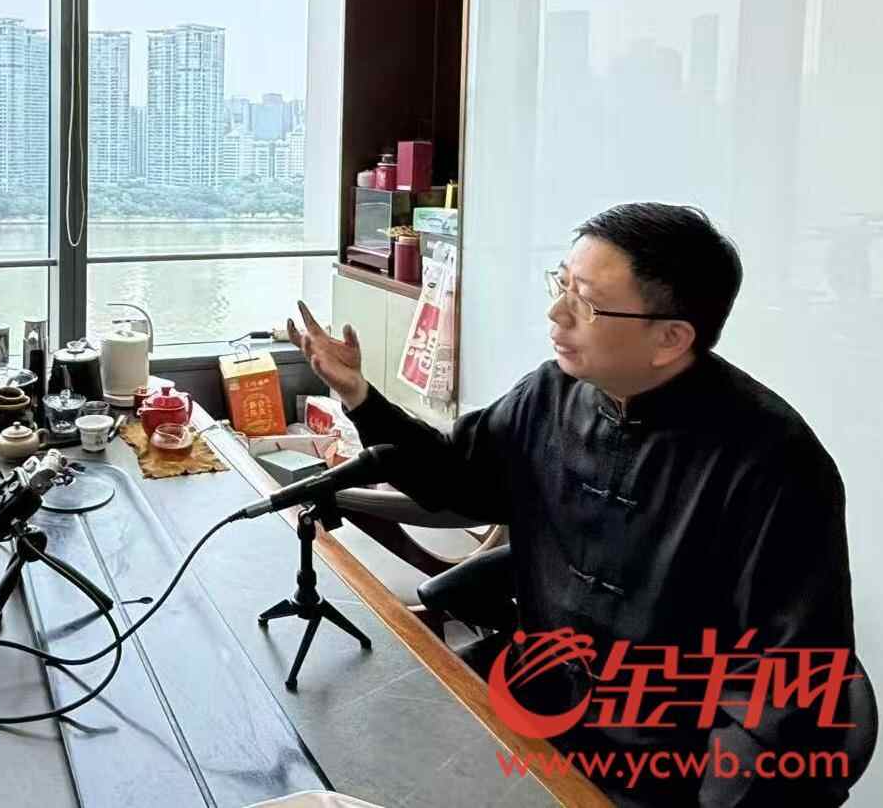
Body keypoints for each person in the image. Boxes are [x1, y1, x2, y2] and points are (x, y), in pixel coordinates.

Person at [290, 203, 862, 806]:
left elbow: (789, 680)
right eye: (561, 284)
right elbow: (459, 477)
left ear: (670, 339)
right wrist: (359, 395)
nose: (556, 312)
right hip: (537, 709)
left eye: (584, 302)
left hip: (668, 766)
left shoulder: (772, 463)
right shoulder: (554, 392)